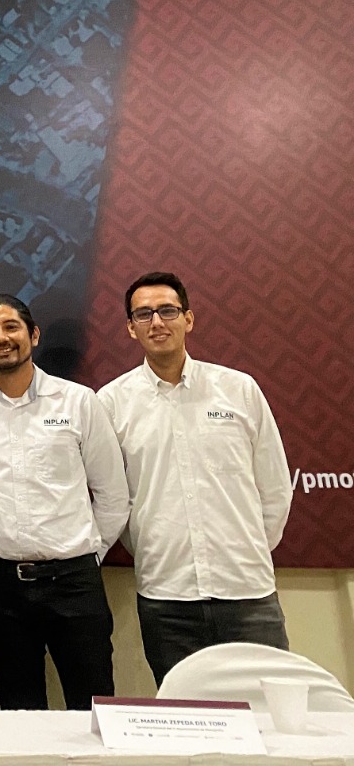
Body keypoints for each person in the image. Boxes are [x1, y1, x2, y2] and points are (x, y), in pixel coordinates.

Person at [98, 271, 292, 684]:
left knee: (266, 714)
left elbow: (274, 487)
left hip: (247, 592)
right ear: (130, 328)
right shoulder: (111, 403)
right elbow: (114, 500)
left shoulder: (239, 389)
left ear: (188, 319)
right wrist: (150, 545)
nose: (157, 322)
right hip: (166, 598)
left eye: (167, 311)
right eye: (144, 314)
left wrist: (248, 547)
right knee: (183, 714)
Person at [0, 294, 129, 710]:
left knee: (93, 707)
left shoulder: (78, 400)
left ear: (34, 335)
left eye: (11, 326)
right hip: (1, 586)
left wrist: (86, 554)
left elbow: (113, 494)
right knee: (19, 711)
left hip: (75, 583)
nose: (1, 337)